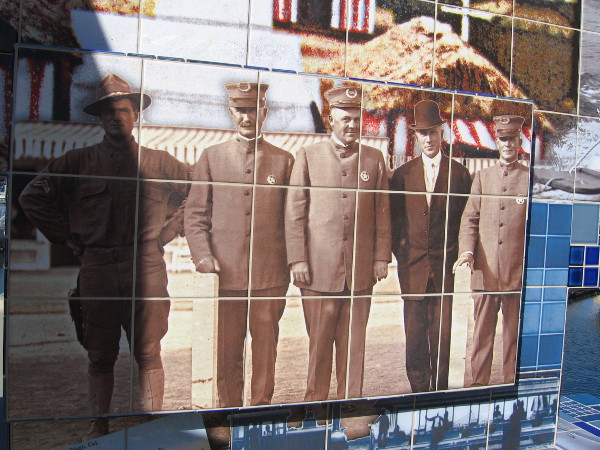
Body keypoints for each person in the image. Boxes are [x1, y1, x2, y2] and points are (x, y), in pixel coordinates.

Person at [19, 74, 189, 436]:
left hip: (145, 267)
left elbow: (201, 191)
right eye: (109, 112)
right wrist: (66, 237)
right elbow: (31, 196)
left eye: (124, 110)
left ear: (136, 115)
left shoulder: (159, 162)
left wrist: (170, 231)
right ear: (100, 118)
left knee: (148, 350)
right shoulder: (78, 161)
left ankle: (152, 420)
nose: (117, 117)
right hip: (97, 268)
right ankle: (100, 425)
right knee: (99, 354)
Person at [184, 82, 293, 407]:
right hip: (226, 276)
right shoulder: (211, 157)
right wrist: (204, 258)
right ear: (231, 112)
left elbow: (294, 219)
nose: (247, 117)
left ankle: (259, 411)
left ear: (264, 112)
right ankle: (230, 411)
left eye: (253, 110)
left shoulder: (283, 161)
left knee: (265, 352)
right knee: (228, 351)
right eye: (240, 110)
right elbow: (195, 215)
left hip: (269, 277)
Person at [285, 85, 391, 401]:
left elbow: (382, 212)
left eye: (357, 119)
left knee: (353, 346)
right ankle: (315, 406)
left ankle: (351, 405)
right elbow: (295, 212)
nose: (352, 125)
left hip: (359, 272)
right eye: (346, 119)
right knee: (319, 345)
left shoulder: (374, 159)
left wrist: (380, 257)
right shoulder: (308, 156)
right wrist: (298, 259)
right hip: (318, 272)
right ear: (331, 119)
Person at [390, 100, 471, 393]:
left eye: (433, 132)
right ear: (416, 136)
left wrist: (455, 257)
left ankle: (439, 393)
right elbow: (395, 224)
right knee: (414, 338)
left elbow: (465, 220)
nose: (428, 139)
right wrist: (404, 256)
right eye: (422, 133)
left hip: (444, 271)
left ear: (442, 133)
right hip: (412, 271)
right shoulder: (402, 175)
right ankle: (419, 392)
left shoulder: (459, 175)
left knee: (442, 336)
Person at [454, 115, 529, 386]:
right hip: (484, 275)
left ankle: (511, 384)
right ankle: (478, 385)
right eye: (502, 139)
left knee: (513, 336)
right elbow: (469, 219)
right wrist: (467, 252)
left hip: (516, 275)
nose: (507, 144)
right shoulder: (482, 178)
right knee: (482, 335)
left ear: (519, 142)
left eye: (512, 139)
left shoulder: (530, 180)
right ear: (496, 142)